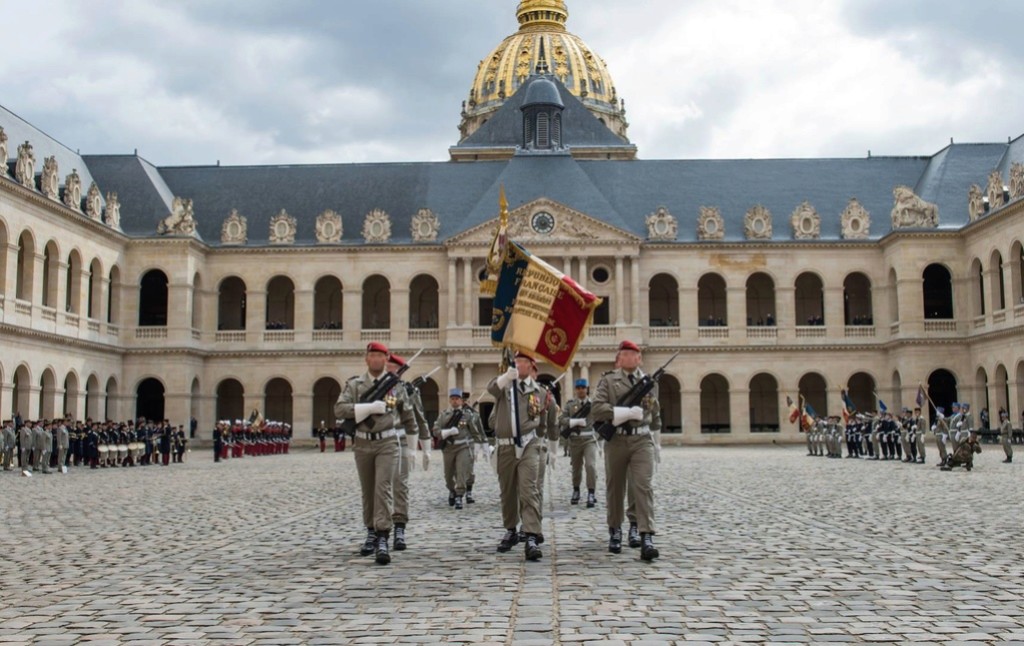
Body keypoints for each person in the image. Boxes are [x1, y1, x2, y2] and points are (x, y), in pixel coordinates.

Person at [335, 341, 418, 566]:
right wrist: (367, 409)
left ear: (386, 359)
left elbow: (408, 415)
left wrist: (413, 448)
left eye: (380, 356)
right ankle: (370, 531)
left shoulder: (396, 386)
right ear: (366, 359)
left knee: (383, 488)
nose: (375, 359)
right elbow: (340, 409)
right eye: (371, 356)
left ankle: (383, 536)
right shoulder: (354, 385)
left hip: (387, 443)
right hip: (362, 443)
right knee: (368, 490)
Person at [592, 340, 662, 561]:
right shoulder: (609, 380)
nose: (631, 358)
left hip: (642, 439)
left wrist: (657, 441)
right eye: (626, 354)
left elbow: (654, 410)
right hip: (617, 441)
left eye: (635, 354)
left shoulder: (650, 382)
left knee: (643, 486)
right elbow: (597, 409)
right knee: (615, 487)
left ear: (640, 358)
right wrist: (623, 413)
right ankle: (615, 529)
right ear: (619, 358)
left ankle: (645, 534)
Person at [486, 351, 548, 561]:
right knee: (508, 491)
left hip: (529, 444)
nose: (519, 364)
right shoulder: (505, 387)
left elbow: (541, 418)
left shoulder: (538, 391)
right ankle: (511, 529)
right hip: (505, 446)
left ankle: (531, 535)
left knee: (528, 489)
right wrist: (506, 377)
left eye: (523, 361)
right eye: (517, 361)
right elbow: (491, 388)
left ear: (531, 365)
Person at [386, 352, 433, 552]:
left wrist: (423, 448)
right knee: (377, 488)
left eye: (392, 367)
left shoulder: (407, 391)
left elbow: (419, 419)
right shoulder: (368, 386)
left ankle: (398, 527)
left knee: (399, 486)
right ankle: (375, 530)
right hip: (376, 441)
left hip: (400, 440)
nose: (388, 369)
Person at [433, 389, 485, 510]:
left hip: (463, 446)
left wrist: (479, 446)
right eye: (452, 399)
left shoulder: (467, 415)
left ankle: (459, 495)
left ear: (461, 401)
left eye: (457, 399)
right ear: (450, 400)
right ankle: (452, 490)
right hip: (449, 448)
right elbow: (436, 430)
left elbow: (474, 431)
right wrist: (447, 432)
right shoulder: (444, 414)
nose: (455, 401)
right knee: (448, 474)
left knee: (461, 471)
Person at [559, 379, 599, 508]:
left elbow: (600, 419)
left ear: (587, 389)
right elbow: (561, 419)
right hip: (575, 440)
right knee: (576, 468)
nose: (581, 390)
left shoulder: (593, 405)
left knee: (590, 466)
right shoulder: (570, 405)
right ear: (576, 389)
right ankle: (576, 490)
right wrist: (572, 422)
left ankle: (591, 493)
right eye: (579, 387)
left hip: (589, 440)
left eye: (583, 387)